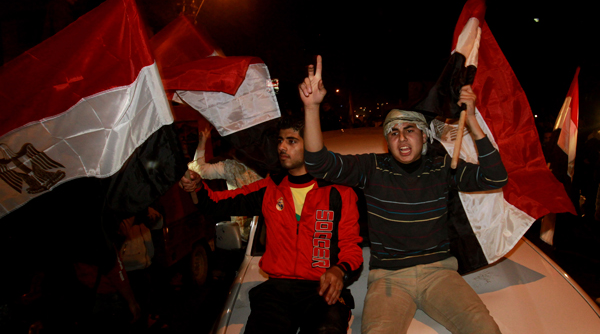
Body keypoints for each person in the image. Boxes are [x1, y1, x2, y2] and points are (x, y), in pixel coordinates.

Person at [299, 56, 507, 334]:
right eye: (393, 133)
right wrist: (312, 108)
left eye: (410, 130)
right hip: (389, 279)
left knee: (486, 330)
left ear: (423, 137)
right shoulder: (372, 168)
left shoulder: (443, 167)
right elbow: (317, 163)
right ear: (388, 142)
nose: (401, 138)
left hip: (440, 274)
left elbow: (495, 177)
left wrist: (471, 122)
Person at [180, 115, 363, 334]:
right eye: (280, 140)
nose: (282, 147)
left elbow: (352, 248)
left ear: (312, 144)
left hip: (323, 291)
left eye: (291, 141)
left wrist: (339, 270)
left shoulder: (339, 192)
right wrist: (197, 187)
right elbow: (216, 205)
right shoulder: (269, 189)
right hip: (276, 291)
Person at [187, 127, 262, 241]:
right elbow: (198, 170)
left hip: (267, 231)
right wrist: (202, 142)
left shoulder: (268, 166)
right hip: (244, 237)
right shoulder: (231, 167)